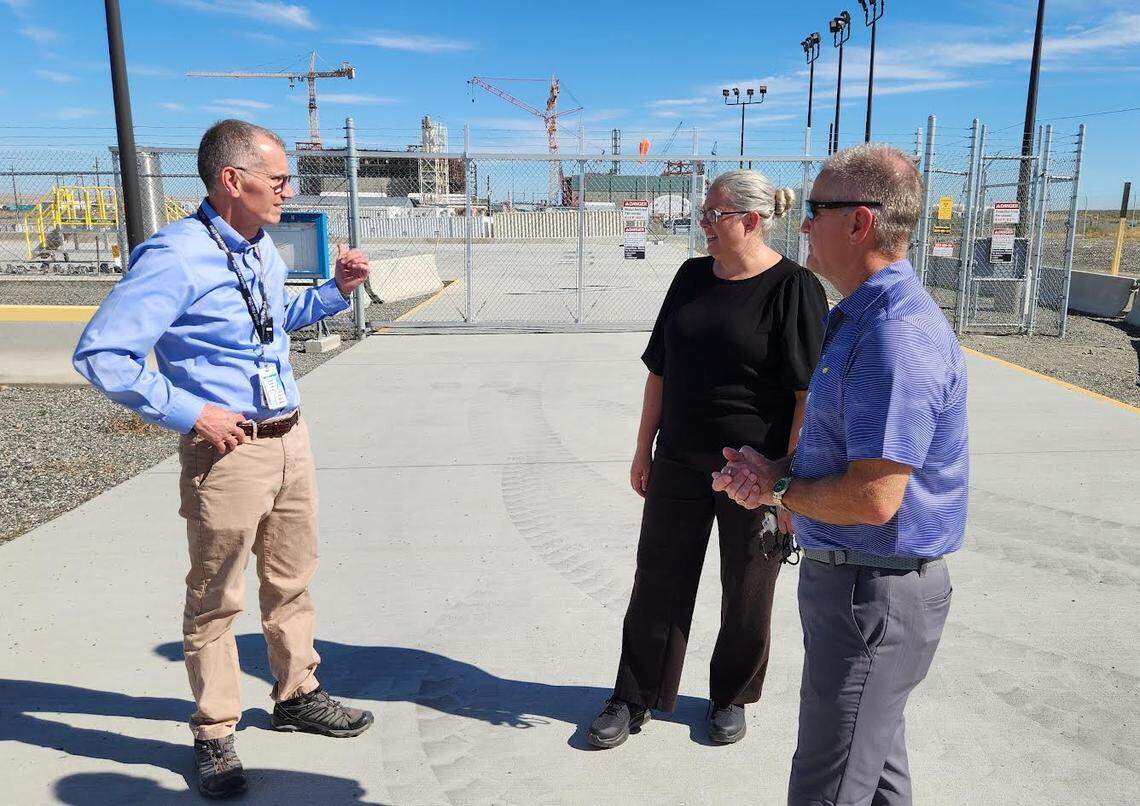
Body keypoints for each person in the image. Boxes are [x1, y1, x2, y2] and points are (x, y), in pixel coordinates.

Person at [73, 119, 374, 799]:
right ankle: (214, 732)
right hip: (229, 451)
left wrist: (334, 291)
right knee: (216, 601)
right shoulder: (176, 256)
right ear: (232, 180)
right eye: (278, 179)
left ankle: (296, 693)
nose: (287, 190)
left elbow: (271, 324)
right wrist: (190, 411)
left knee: (292, 580)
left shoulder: (260, 248)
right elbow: (102, 354)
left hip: (289, 437)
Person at [712, 144, 968, 805]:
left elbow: (876, 496)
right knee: (877, 780)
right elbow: (846, 454)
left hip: (870, 600)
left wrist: (778, 489)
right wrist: (777, 469)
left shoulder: (892, 337)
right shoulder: (857, 320)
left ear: (858, 223)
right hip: (862, 593)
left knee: (826, 791)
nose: (801, 224)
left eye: (816, 210)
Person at [587, 170, 828, 749]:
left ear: (751, 220)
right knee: (657, 580)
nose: (703, 224)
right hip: (678, 459)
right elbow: (659, 371)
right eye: (704, 213)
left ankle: (732, 695)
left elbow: (807, 398)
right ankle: (633, 693)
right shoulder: (691, 277)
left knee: (748, 585)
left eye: (713, 215)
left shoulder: (794, 288)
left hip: (756, 472)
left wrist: (789, 482)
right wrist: (643, 448)